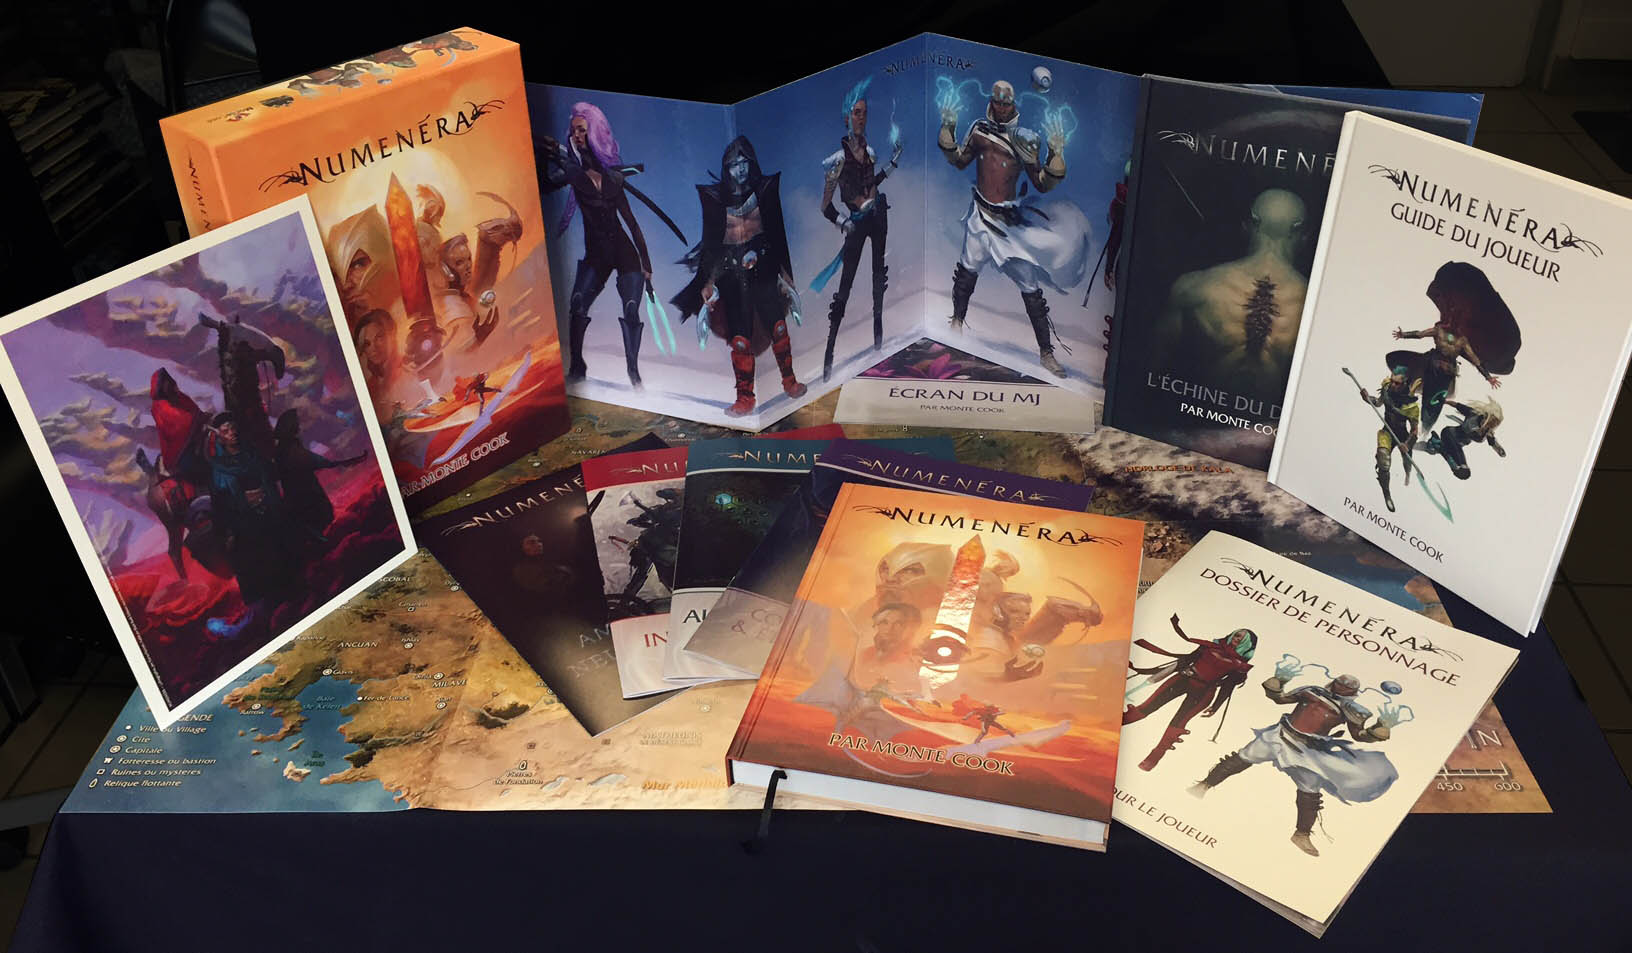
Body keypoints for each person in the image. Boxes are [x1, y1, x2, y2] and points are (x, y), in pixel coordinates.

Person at [939, 79, 1082, 377]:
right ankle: (956, 325)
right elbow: (960, 161)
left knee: (1031, 290)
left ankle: (1046, 353)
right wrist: (949, 129)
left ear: (1013, 104)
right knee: (965, 275)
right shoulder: (978, 130)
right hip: (979, 217)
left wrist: (1056, 155)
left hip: (1009, 225)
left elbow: (1042, 184)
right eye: (998, 102)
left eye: (1007, 103)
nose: (1002, 108)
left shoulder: (1024, 139)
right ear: (992, 101)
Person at [1190, 668, 1403, 857]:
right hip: (1279, 735)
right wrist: (1278, 683)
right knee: (1242, 758)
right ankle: (1203, 785)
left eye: (1347, 686)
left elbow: (1359, 735)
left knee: (1309, 791)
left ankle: (1301, 835)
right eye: (1341, 682)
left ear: (1352, 691)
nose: (1343, 686)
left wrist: (1378, 729)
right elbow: (1280, 699)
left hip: (1308, 750)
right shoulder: (1311, 691)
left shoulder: (1353, 710)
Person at [674, 136, 807, 416]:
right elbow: (711, 245)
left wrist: (786, 275)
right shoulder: (715, 200)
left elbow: (777, 234)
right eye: (735, 164)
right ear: (727, 168)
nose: (741, 169)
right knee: (740, 339)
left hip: (764, 269)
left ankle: (790, 382)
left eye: (745, 162)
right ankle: (745, 398)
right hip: (732, 277)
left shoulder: (764, 191)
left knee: (778, 328)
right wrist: (708, 282)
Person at [540, 103, 656, 387]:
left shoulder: (614, 177)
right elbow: (546, 184)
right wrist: (547, 155)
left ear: (594, 132)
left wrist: (646, 264)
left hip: (625, 252)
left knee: (631, 308)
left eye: (582, 130)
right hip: (597, 254)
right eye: (574, 131)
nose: (577, 136)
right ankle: (577, 366)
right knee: (577, 304)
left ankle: (633, 374)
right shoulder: (572, 172)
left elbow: (632, 223)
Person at [816, 78, 901, 380]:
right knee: (845, 286)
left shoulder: (872, 152)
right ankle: (829, 353)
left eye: (864, 112)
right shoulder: (837, 161)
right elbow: (826, 206)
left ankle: (879, 338)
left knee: (879, 276)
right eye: (856, 112)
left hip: (878, 217)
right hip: (856, 222)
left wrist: (892, 165)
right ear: (846, 117)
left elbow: (870, 184)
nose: (861, 118)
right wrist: (844, 223)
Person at [1122, 614, 1257, 770]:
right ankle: (1116, 722)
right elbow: (1187, 660)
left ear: (1248, 644)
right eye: (1237, 635)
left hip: (1203, 692)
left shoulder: (1240, 666)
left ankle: (1153, 758)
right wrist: (1155, 671)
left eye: (1243, 639)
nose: (1238, 639)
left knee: (1178, 722)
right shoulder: (1210, 646)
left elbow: (1228, 686)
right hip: (1183, 679)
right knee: (1149, 705)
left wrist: (1216, 706)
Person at [1359, 366, 1422, 512]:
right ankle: (1386, 494)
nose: (1393, 385)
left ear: (1405, 383)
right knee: (1383, 461)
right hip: (1387, 432)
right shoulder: (1387, 388)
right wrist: (1367, 398)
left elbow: (1414, 431)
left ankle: (1407, 474)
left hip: (1403, 436)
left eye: (1397, 383)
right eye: (1392, 381)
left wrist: (1407, 445)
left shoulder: (1411, 406)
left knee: (1407, 460)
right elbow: (1378, 403)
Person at [1424, 397, 1506, 480]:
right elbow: (1457, 405)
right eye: (1491, 423)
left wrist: (1500, 450)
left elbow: (1493, 443)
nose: (1491, 426)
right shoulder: (1473, 414)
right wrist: (1444, 401)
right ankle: (1438, 445)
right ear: (1487, 417)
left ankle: (1436, 444)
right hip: (1449, 435)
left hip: (1458, 444)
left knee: (1464, 472)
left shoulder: (1488, 432)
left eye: (1493, 425)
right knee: (1459, 467)